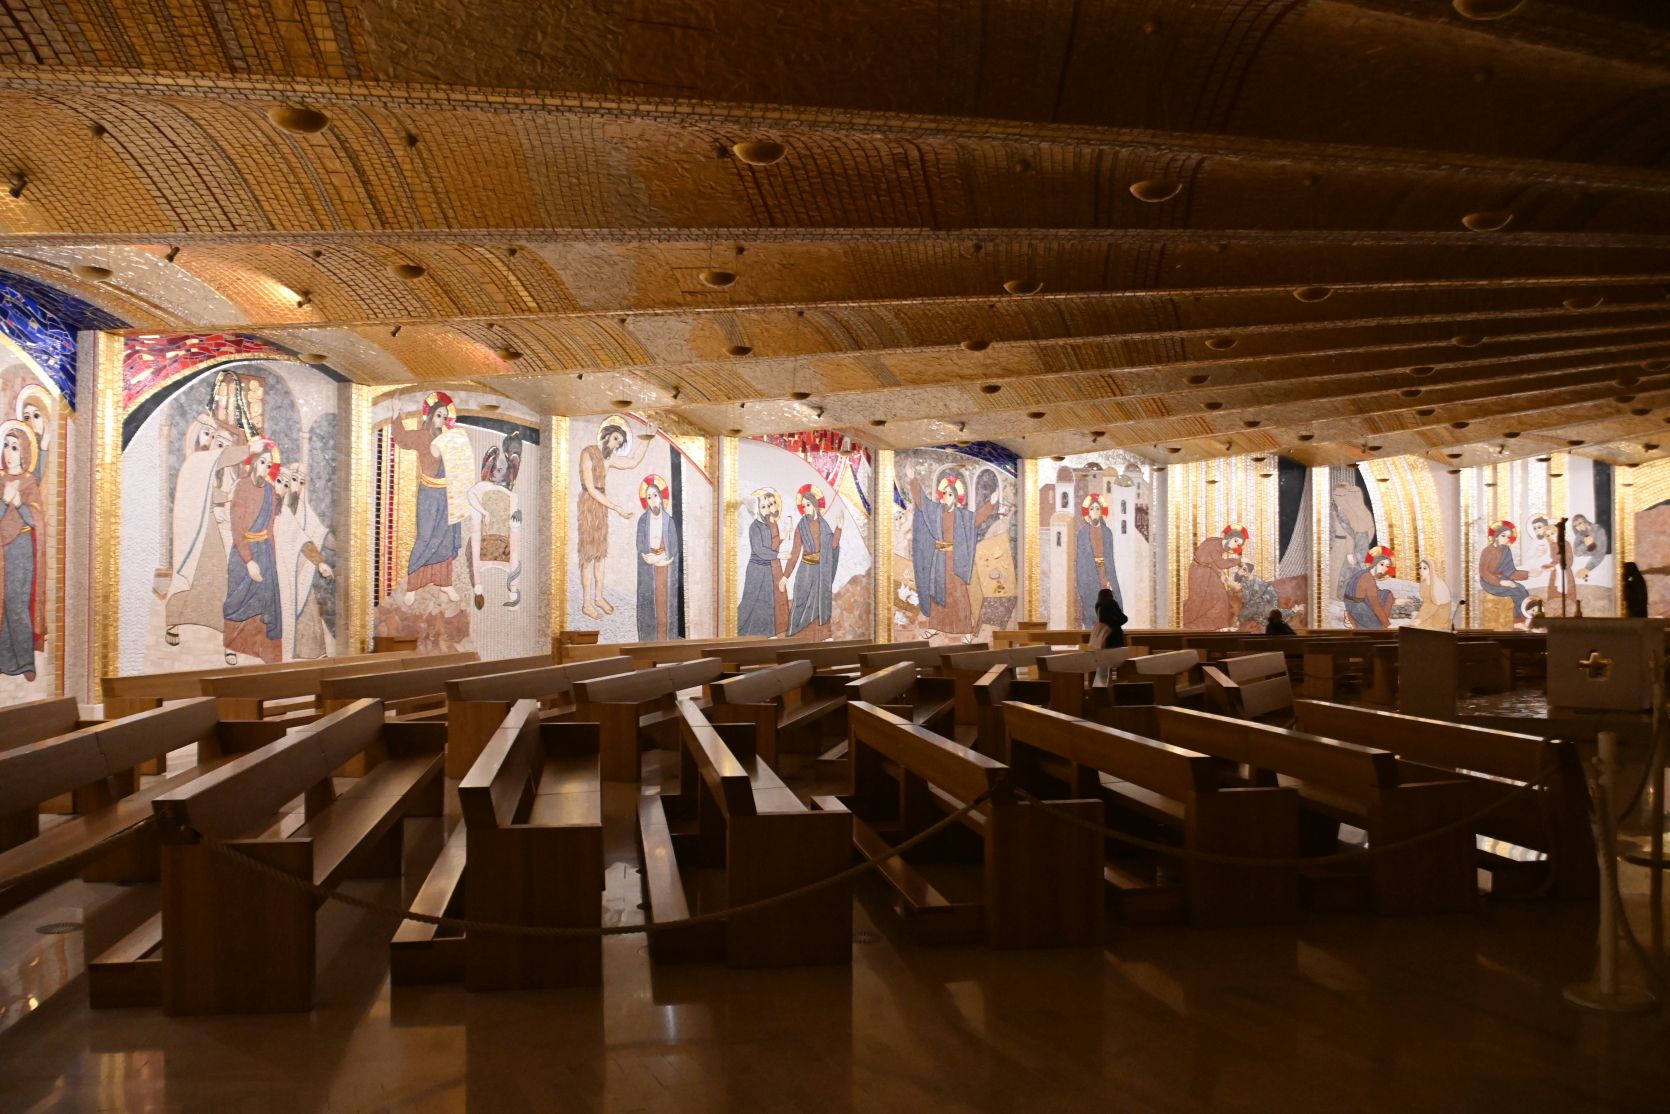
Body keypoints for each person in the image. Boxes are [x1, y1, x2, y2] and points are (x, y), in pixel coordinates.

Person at [393, 392, 469, 606]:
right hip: (428, 494)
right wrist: (395, 413)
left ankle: (445, 583)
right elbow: (401, 439)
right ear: (430, 415)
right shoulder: (421, 436)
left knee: (446, 539)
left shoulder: (448, 439)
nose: (441, 420)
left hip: (447, 495)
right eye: (438, 415)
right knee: (425, 537)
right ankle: (413, 586)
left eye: (444, 417)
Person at [576, 415, 650, 619]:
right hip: (589, 506)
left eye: (620, 442)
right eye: (616, 439)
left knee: (600, 555)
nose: (617, 444)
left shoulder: (609, 459)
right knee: (587, 556)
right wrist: (617, 508)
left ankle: (599, 597)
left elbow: (633, 462)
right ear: (607, 435)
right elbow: (591, 488)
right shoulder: (588, 453)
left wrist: (647, 438)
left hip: (601, 508)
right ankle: (586, 603)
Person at [222, 437, 283, 665]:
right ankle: (231, 646)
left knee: (264, 600)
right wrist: (249, 561)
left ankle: (261, 649)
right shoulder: (242, 487)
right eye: (262, 462)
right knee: (237, 599)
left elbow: (270, 528)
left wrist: (271, 559)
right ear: (254, 462)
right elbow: (236, 527)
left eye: (269, 465)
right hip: (243, 552)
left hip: (264, 551)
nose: (265, 468)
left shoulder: (270, 491)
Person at [0, 420, 43, 680]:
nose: (9, 452)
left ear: (25, 451)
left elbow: (37, 517)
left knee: (17, 604)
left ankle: (26, 662)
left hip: (21, 549)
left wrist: (18, 503)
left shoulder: (28, 482)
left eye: (14, 447)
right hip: (1, 548)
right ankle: (6, 661)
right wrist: (5, 502)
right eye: (6, 445)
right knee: (3, 603)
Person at [782, 484, 841, 640]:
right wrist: (786, 575)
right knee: (801, 601)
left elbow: (832, 545)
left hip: (821, 572)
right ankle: (798, 636)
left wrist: (839, 528)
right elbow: (795, 552)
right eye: (803, 506)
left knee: (821, 602)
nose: (805, 509)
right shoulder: (801, 526)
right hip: (806, 571)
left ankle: (823, 635)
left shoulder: (823, 525)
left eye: (808, 505)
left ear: (814, 505)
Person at [635, 474, 679, 640]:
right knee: (649, 606)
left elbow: (673, 547)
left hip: (664, 568)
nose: (653, 500)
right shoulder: (643, 521)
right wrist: (647, 556)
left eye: (655, 495)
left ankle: (665, 640)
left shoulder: (668, 521)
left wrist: (665, 556)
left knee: (664, 605)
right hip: (649, 568)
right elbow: (640, 544)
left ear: (661, 498)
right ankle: (648, 641)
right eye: (649, 497)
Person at [737, 488, 786, 636]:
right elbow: (760, 550)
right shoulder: (754, 527)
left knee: (767, 601)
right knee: (750, 600)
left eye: (767, 506)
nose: (766, 509)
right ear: (757, 509)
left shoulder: (767, 526)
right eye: (763, 507)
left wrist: (781, 539)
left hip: (767, 569)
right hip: (756, 569)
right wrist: (778, 555)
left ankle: (766, 633)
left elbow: (770, 546)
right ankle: (738, 629)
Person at [1183, 526, 1245, 630]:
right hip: (1199, 573)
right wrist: (1238, 560)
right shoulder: (1214, 545)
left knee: (1221, 596)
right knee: (1197, 600)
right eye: (1235, 541)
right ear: (1229, 536)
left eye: (1238, 545)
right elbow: (1221, 563)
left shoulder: (1219, 544)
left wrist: (1220, 574)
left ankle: (1220, 625)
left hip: (1209, 571)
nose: (1235, 546)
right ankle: (1189, 624)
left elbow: (1212, 562)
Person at [1075, 494, 1122, 629]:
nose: (1095, 511)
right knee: (1091, 609)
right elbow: (1081, 560)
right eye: (1092, 509)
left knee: (1108, 608)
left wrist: (1109, 578)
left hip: (1104, 574)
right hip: (1089, 575)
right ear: (1088, 513)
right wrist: (1082, 582)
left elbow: (1110, 558)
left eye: (1097, 508)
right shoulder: (1082, 533)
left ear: (1101, 512)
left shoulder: (1107, 532)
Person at [1479, 520, 1531, 627]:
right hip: (1489, 582)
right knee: (1517, 593)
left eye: (1508, 537)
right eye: (1503, 535)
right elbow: (1484, 572)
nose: (1506, 539)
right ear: (1496, 536)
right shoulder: (1488, 551)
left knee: (1523, 590)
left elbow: (1510, 572)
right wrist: (1500, 582)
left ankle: (1524, 619)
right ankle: (1517, 621)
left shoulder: (1506, 550)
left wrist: (1528, 574)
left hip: (1503, 578)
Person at [1344, 546, 1396, 629]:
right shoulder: (1369, 579)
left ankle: (1353, 617)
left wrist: (1395, 599)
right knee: (1378, 627)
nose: (1385, 568)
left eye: (1387, 566)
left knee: (1386, 593)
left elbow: (1374, 590)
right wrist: (1387, 624)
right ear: (1375, 563)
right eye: (1381, 564)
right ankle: (1352, 618)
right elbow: (1375, 605)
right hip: (1357, 607)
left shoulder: (1363, 572)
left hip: (1351, 603)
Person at [1090, 587, 1126, 685]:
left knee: (1104, 663)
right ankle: (1118, 686)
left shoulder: (1098, 606)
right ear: (1110, 595)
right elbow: (1123, 618)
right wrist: (1115, 621)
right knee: (1118, 662)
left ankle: (1102, 685)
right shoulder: (1111, 603)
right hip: (1114, 637)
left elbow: (1103, 620)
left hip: (1104, 637)